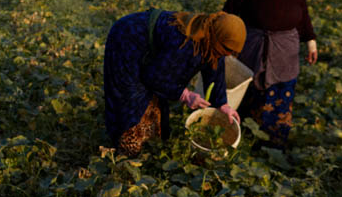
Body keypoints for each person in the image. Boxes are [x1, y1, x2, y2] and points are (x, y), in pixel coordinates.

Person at [103, 9, 245, 155]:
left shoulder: (213, 39)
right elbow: (153, 77)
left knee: (156, 99)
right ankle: (126, 148)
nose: (228, 54)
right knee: (130, 98)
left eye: (232, 51)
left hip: (150, 49)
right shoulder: (186, 42)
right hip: (127, 39)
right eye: (227, 49)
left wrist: (222, 105)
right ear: (218, 37)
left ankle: (149, 142)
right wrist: (184, 95)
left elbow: (215, 72)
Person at [223, 0, 318, 150]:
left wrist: (311, 41)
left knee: (280, 95)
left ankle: (274, 144)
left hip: (285, 50)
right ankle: (242, 139)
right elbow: (229, 12)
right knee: (249, 92)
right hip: (252, 46)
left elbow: (303, 14)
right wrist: (225, 44)